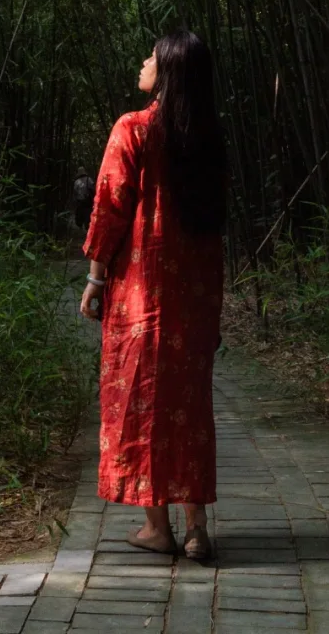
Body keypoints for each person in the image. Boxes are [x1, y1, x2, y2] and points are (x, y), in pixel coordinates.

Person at [80, 30, 226, 562]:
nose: (143, 61)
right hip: (195, 300)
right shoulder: (208, 140)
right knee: (189, 407)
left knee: (142, 403)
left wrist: (95, 279)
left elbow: (109, 209)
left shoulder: (134, 129)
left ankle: (156, 528)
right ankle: (197, 528)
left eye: (151, 56)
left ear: (166, 73)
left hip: (140, 301)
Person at [72, 169, 96, 234]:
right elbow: (93, 189)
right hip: (87, 201)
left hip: (80, 201)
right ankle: (86, 229)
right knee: (87, 215)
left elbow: (75, 192)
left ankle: (81, 229)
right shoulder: (89, 179)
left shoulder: (76, 182)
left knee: (80, 215)